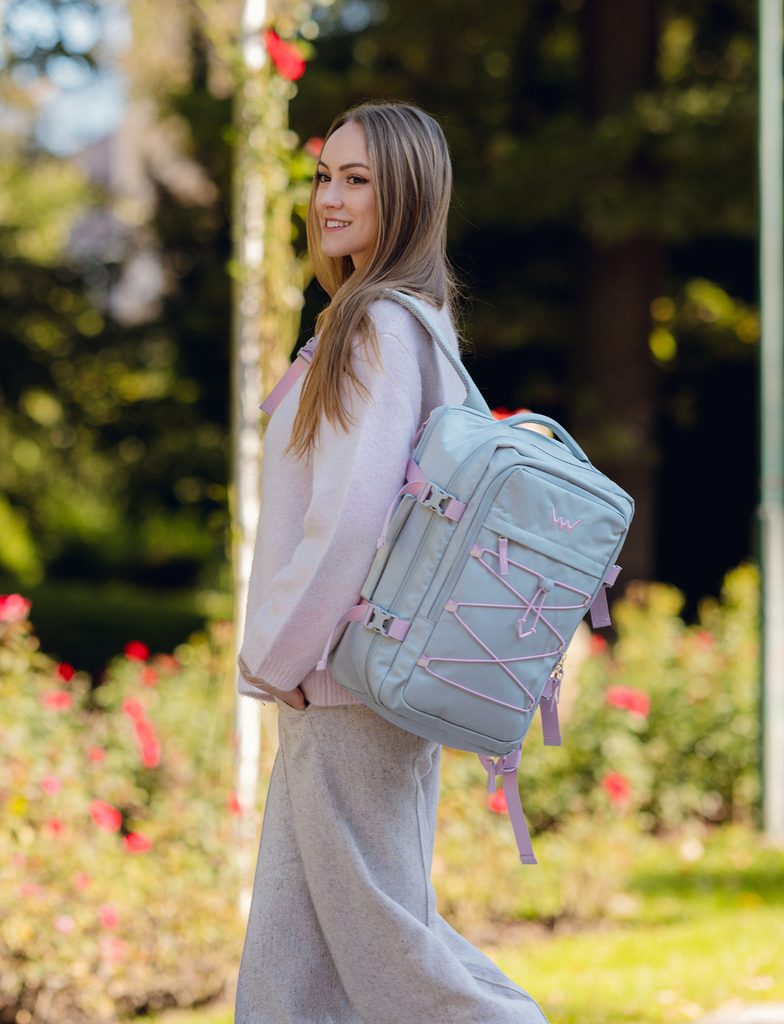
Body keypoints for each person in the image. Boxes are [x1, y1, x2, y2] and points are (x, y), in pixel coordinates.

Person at [234, 100, 549, 1024]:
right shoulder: (392, 320)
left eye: (357, 180)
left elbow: (349, 522)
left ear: (406, 195)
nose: (329, 197)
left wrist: (275, 658)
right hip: (345, 682)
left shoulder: (374, 327)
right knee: (295, 965)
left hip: (339, 685)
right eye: (323, 176)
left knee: (392, 956)